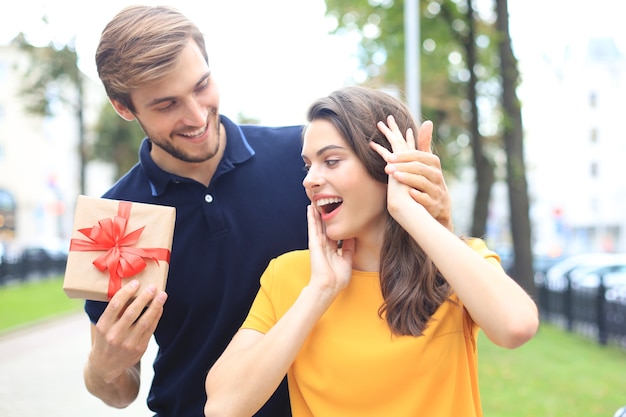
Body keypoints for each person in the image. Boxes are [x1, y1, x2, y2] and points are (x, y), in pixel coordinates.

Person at [81, 6, 455, 417]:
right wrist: (102, 370)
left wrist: (434, 211)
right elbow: (120, 390)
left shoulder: (308, 162)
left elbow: (403, 267)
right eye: (166, 104)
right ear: (124, 108)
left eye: (201, 85)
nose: (195, 115)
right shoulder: (113, 221)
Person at [204, 86, 540, 417]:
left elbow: (516, 326)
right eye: (308, 166)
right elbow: (222, 407)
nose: (310, 180)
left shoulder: (452, 265)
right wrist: (319, 292)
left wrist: (408, 210)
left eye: (331, 161)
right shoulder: (291, 276)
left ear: (386, 166)